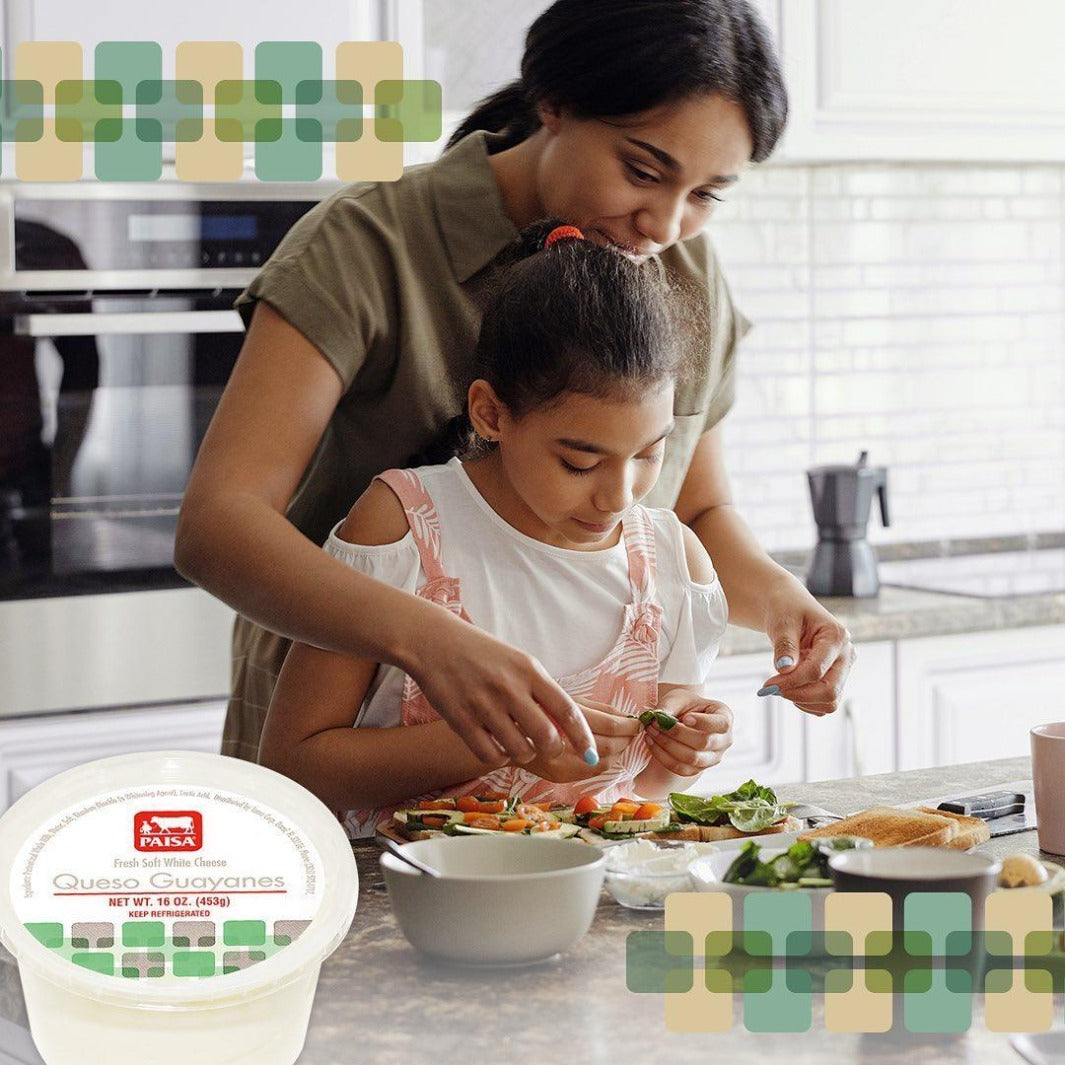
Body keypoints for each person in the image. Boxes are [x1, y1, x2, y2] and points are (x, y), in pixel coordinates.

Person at [175, 0, 855, 773]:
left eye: (705, 194)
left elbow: (692, 508)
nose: (664, 225)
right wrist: (430, 640)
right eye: (641, 170)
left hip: (572, 793)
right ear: (552, 105)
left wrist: (780, 604)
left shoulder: (685, 275)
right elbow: (218, 527)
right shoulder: (367, 243)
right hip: (347, 743)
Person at [258, 221, 732, 832]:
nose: (619, 495)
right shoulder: (405, 528)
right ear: (490, 413)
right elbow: (294, 765)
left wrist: (687, 748)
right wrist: (509, 742)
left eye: (649, 453)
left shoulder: (671, 561)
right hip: (416, 903)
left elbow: (648, 790)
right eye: (579, 462)